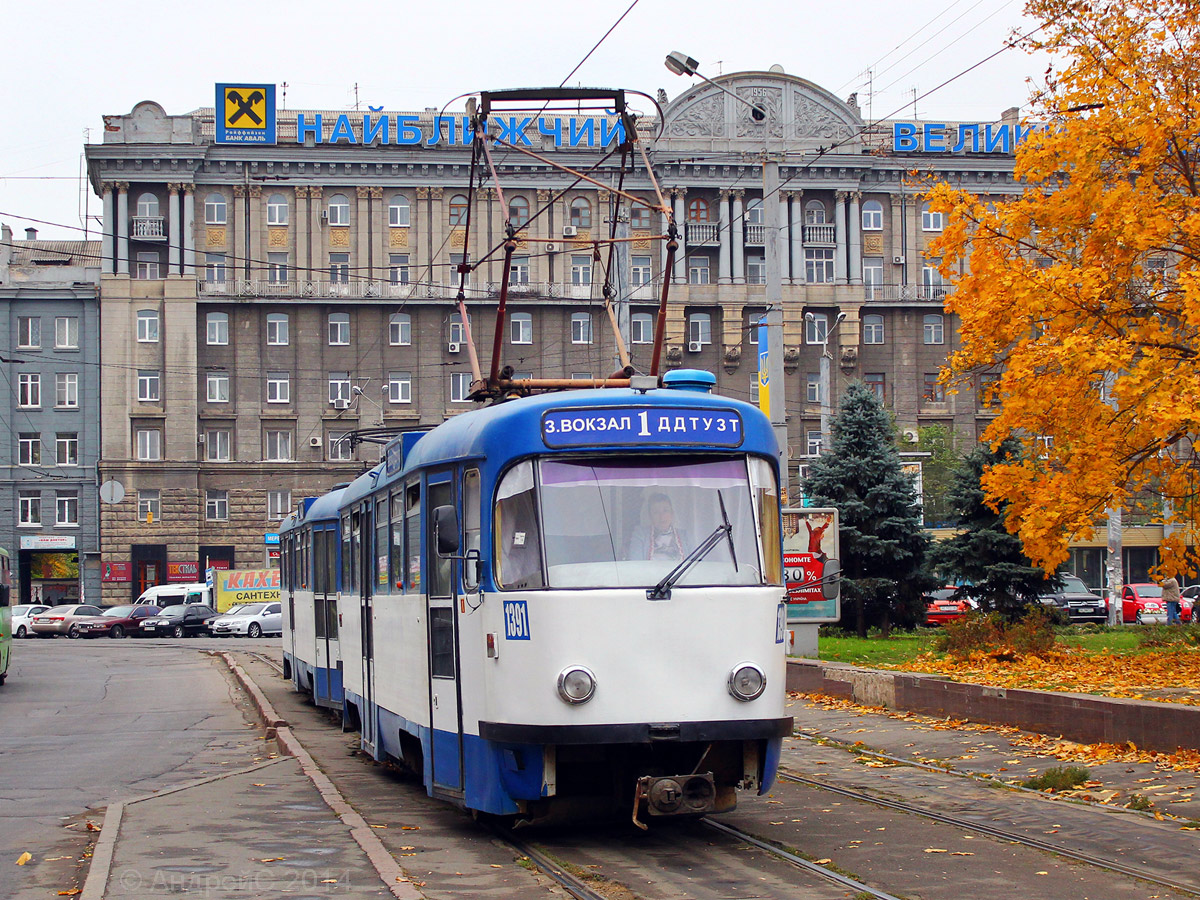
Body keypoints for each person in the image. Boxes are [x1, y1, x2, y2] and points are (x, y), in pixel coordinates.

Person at [627, 493, 689, 561]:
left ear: (672, 513)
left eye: (665, 510)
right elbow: (636, 564)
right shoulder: (640, 535)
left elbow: (694, 564)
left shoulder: (685, 536)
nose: (662, 516)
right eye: (656, 512)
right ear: (650, 516)